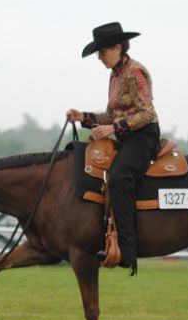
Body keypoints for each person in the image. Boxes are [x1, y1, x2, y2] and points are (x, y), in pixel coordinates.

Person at [67, 22, 160, 273]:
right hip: (127, 136)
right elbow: (110, 115)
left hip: (143, 136)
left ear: (117, 47)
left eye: (102, 52)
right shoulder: (115, 74)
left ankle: (127, 251)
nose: (99, 58)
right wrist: (83, 117)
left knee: (118, 177)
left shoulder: (135, 71)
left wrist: (114, 130)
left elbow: (146, 113)